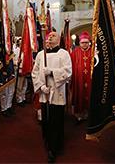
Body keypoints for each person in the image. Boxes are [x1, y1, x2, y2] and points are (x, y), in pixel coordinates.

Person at [32, 31, 72, 163]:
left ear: (59, 39)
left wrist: (52, 72)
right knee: (46, 120)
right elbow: (35, 72)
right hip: (45, 93)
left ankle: (55, 147)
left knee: (56, 121)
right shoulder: (40, 54)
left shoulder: (64, 54)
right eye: (49, 36)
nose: (50, 37)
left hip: (57, 93)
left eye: (53, 35)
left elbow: (68, 72)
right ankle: (48, 142)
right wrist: (41, 86)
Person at [70, 31, 92, 123]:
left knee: (90, 95)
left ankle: (89, 115)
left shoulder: (93, 52)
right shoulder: (75, 52)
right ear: (80, 43)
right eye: (83, 42)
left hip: (90, 79)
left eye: (86, 42)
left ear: (89, 43)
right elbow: (70, 65)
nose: (84, 44)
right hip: (78, 79)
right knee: (79, 94)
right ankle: (79, 115)